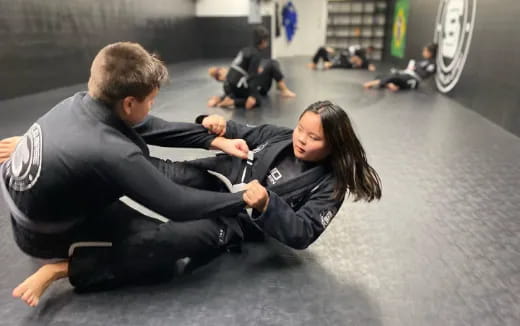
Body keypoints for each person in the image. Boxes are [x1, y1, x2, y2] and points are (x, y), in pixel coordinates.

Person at [7, 100, 383, 302]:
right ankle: (66, 159)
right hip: (218, 175)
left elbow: (302, 233)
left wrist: (268, 204)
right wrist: (215, 122)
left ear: (334, 143)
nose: (301, 139)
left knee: (174, 241)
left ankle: (63, 269)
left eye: (313, 138)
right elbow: (245, 132)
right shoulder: (284, 136)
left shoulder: (330, 185)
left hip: (236, 219)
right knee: (147, 169)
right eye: (301, 129)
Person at [0, 41, 253, 307]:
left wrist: (213, 141)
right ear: (129, 103)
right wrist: (244, 198)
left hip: (56, 207)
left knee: (146, 214)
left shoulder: (79, 103)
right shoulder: (110, 151)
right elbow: (178, 205)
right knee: (174, 246)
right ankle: (65, 268)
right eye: (151, 101)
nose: (152, 106)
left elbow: (148, 126)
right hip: (48, 237)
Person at [212, 25, 270, 110]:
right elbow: (252, 76)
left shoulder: (245, 49)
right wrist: (252, 95)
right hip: (237, 85)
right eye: (266, 41)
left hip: (228, 84)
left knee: (242, 92)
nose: (267, 43)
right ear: (262, 41)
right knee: (257, 100)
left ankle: (225, 98)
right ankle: (233, 102)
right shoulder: (256, 54)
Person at [207, 58, 296, 108]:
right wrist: (218, 100)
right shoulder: (228, 85)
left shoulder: (235, 72)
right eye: (219, 74)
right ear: (219, 79)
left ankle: (279, 85)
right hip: (258, 91)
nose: (223, 71)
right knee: (272, 64)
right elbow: (229, 95)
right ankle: (284, 89)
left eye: (222, 70)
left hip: (260, 83)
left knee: (273, 62)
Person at [363, 43, 437, 91]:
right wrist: (411, 67)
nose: (423, 52)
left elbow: (424, 75)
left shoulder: (432, 64)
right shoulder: (422, 61)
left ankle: (373, 83)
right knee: (380, 75)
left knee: (394, 77)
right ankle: (389, 84)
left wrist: (415, 68)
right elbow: (413, 68)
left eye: (425, 51)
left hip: (412, 78)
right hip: (407, 74)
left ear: (430, 53)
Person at [308, 45, 376, 71]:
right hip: (333, 57)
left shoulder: (347, 64)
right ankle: (314, 64)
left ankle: (314, 64)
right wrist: (332, 50)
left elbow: (336, 65)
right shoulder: (349, 56)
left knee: (321, 49)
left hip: (331, 61)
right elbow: (341, 52)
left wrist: (330, 65)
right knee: (322, 49)